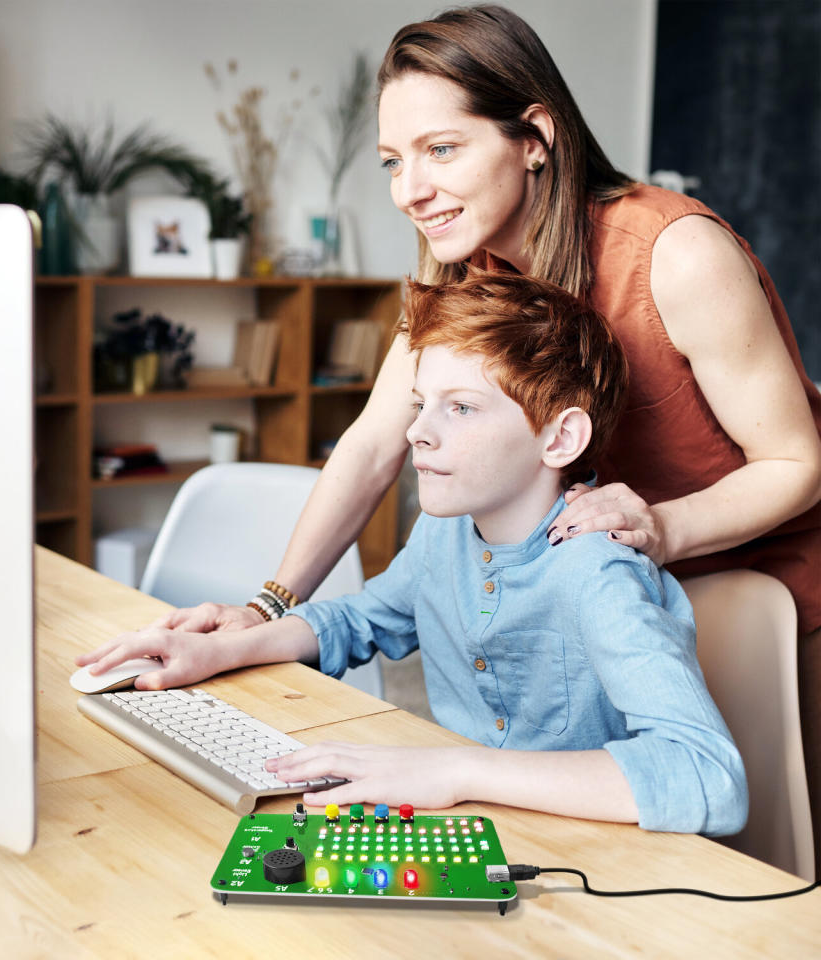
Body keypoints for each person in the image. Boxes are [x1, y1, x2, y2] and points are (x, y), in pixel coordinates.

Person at [144, 4, 821, 863]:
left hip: (757, 592)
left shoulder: (675, 254)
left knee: (769, 860)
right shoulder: (463, 270)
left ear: (534, 136)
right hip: (605, 588)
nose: (408, 190)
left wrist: (661, 525)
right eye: (393, 161)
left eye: (441, 150)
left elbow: (798, 462)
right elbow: (373, 441)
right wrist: (262, 609)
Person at [77, 270, 747, 835]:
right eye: (421, 403)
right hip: (480, 825)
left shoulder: (595, 569)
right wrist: (227, 646)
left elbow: (706, 774)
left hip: (588, 851)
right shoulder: (446, 531)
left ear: (560, 437)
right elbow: (364, 618)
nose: (417, 433)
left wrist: (453, 769)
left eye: (460, 409)